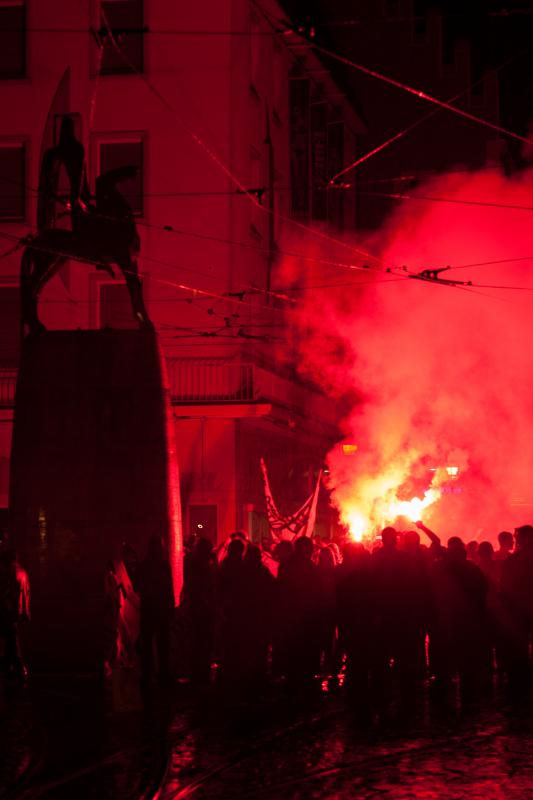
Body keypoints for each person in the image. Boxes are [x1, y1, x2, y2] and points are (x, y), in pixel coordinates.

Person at [135, 535, 175, 693]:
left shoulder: (144, 566)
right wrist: (171, 606)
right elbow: (169, 589)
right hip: (160, 610)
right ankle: (162, 678)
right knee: (162, 645)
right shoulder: (164, 565)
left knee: (148, 646)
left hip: (149, 610)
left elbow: (137, 586)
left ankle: (147, 678)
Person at [0, 549, 30, 681]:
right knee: (11, 639)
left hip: (9, 612)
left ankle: (18, 668)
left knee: (11, 639)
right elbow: (27, 593)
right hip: (18, 611)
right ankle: (12, 668)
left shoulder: (8, 573)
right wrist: (26, 611)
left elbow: (7, 594)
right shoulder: (22, 573)